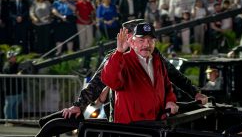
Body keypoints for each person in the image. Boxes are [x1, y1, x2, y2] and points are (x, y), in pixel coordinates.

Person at [39, 19, 208, 127]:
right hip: (125, 120)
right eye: (139, 38)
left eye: (149, 39)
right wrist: (79, 105)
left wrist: (195, 93)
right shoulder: (116, 56)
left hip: (154, 122)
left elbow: (173, 78)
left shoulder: (155, 56)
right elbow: (98, 82)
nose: (145, 43)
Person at [101, 22, 178, 123]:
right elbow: (110, 81)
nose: (147, 44)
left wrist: (170, 101)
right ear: (132, 43)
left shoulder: (157, 61)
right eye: (141, 40)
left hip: (156, 127)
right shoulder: (123, 60)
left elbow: (167, 87)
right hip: (132, 130)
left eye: (150, 40)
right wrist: (119, 52)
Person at [2, 51, 23, 124]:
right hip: (10, 90)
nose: (15, 58)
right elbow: (9, 74)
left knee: (14, 106)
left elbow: (21, 69)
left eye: (15, 56)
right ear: (9, 58)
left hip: (18, 90)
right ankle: (8, 121)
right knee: (9, 106)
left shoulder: (17, 64)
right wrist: (17, 74)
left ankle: (14, 120)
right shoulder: (7, 66)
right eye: (13, 57)